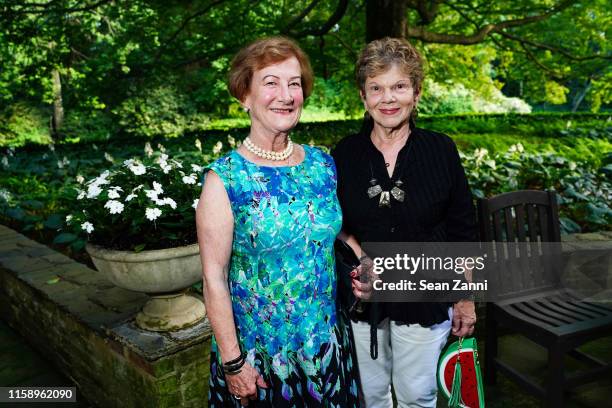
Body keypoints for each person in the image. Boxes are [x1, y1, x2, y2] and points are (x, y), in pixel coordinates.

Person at [196, 36, 361, 407]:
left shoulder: (322, 165)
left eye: (294, 83)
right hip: (264, 360)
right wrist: (234, 363)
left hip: (327, 345)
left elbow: (336, 232)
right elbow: (213, 277)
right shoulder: (225, 180)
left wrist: (362, 264)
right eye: (270, 83)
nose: (286, 95)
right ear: (245, 96)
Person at [332, 37, 478, 408]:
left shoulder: (440, 149)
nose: (388, 98)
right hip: (364, 301)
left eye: (399, 86)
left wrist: (465, 298)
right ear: (363, 97)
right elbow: (332, 223)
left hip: (426, 296)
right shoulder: (345, 154)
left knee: (417, 395)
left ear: (416, 92)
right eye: (376, 88)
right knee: (372, 396)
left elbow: (463, 228)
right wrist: (357, 253)